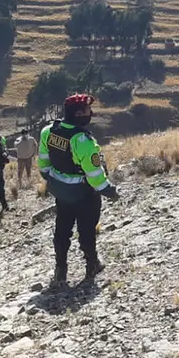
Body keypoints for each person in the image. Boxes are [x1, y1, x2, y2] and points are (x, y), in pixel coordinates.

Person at [39, 94, 119, 283]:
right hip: (83, 194)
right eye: (87, 111)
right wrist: (109, 190)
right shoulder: (83, 141)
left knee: (62, 229)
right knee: (87, 230)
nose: (91, 113)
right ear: (77, 114)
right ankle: (92, 265)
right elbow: (94, 174)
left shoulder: (48, 131)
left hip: (61, 192)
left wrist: (52, 178)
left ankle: (60, 270)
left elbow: (43, 161)